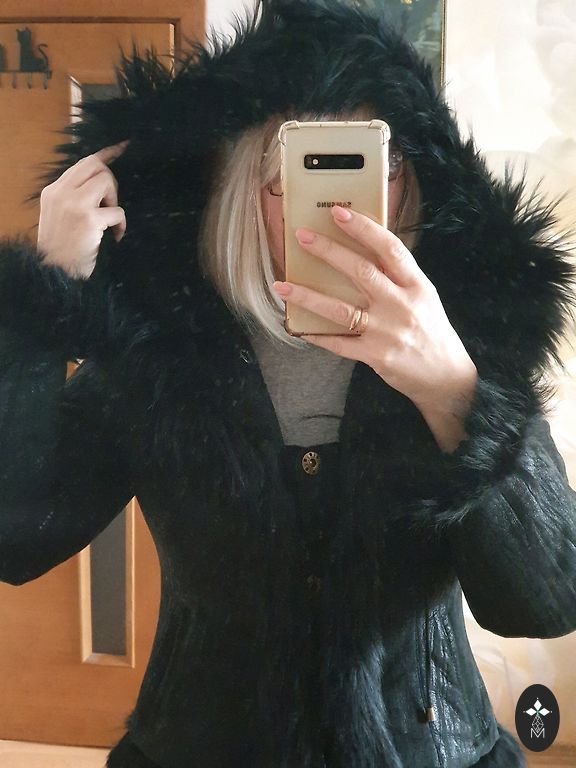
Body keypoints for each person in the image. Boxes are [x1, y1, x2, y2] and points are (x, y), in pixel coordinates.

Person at [1, 1, 575, 766]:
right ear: (243, 184)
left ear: (412, 178)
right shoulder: (162, 351)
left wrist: (454, 391)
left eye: (370, 166)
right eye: (299, 170)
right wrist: (43, 299)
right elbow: (17, 538)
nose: (340, 207)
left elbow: (548, 600)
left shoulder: (466, 338)